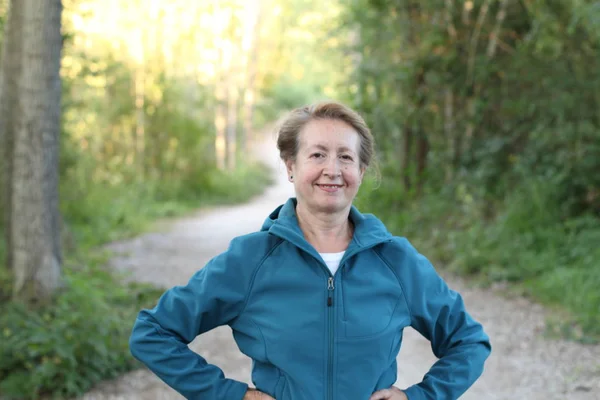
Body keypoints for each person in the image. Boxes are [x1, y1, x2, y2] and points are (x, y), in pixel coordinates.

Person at [129, 101, 491, 400]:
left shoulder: (396, 261)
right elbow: (153, 333)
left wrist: (420, 397)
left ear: (361, 171)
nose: (332, 170)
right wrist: (230, 396)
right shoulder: (251, 259)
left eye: (346, 157)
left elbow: (469, 341)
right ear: (291, 166)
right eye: (317, 155)